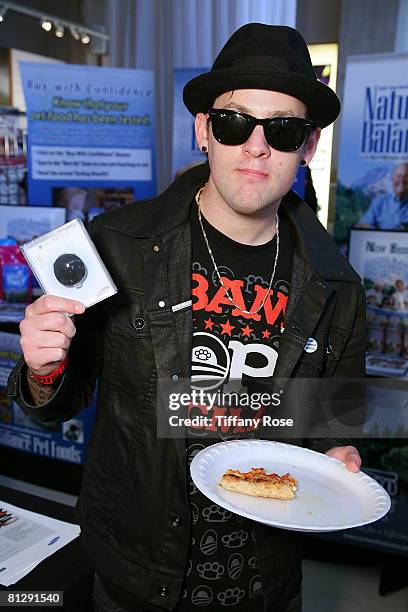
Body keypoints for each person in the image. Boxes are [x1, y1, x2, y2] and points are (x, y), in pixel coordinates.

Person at [8, 24, 366, 612]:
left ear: (308, 146)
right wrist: (44, 368)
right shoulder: (119, 244)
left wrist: (337, 453)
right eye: (233, 123)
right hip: (133, 580)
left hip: (264, 586)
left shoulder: (337, 287)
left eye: (282, 130)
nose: (255, 146)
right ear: (204, 131)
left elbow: (334, 420)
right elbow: (58, 406)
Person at [357, 163, 408, 230]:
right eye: (399, 176)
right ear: (392, 179)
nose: (402, 180)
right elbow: (362, 225)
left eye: (406, 176)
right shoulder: (380, 202)